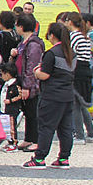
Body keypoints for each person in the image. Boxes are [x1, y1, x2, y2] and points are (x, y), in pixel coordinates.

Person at [23, 23, 76, 168]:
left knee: (46, 127)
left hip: (52, 96)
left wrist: (36, 72)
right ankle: (64, 157)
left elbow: (45, 75)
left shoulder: (51, 53)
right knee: (65, 129)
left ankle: (39, 158)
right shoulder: (71, 53)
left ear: (52, 35)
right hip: (68, 95)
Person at [13, 14, 45, 153]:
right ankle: (28, 137)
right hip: (21, 79)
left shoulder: (33, 44)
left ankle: (36, 139)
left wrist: (27, 86)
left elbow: (31, 66)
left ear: (21, 26)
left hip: (31, 83)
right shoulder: (23, 43)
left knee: (33, 111)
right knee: (27, 111)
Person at [64, 12, 93, 145]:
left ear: (70, 22)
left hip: (77, 70)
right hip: (85, 69)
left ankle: (79, 135)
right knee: (81, 103)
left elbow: (70, 54)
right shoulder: (84, 37)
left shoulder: (74, 37)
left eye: (66, 21)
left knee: (75, 104)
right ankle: (91, 133)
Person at [0, 62, 22, 153]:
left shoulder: (15, 84)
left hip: (12, 109)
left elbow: (20, 95)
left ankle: (14, 142)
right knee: (7, 127)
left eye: (2, 74)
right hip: (4, 108)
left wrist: (11, 100)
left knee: (12, 127)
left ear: (7, 74)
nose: (2, 76)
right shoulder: (6, 83)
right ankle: (9, 141)